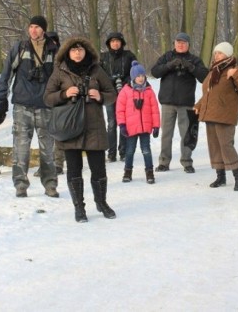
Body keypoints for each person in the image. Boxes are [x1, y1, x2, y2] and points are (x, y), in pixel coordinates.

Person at [44, 37, 118, 223]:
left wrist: (100, 96)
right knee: (74, 170)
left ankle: (102, 203)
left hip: (94, 127)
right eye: (73, 50)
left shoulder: (96, 70)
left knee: (99, 169)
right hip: (70, 128)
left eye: (80, 50)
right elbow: (47, 98)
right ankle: (79, 208)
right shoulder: (60, 72)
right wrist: (64, 94)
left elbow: (112, 94)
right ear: (67, 52)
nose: (77, 53)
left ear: (87, 52)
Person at [0, 15, 59, 198]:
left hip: (46, 106)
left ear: (44, 30)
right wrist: (2, 99)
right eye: (31, 26)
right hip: (22, 105)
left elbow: (61, 77)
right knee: (20, 148)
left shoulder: (54, 50)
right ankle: (21, 185)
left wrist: (61, 99)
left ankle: (50, 184)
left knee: (47, 148)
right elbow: (6, 74)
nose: (33, 30)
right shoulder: (19, 48)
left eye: (37, 27)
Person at [193, 42, 238, 191]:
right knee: (214, 146)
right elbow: (209, 94)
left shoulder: (234, 69)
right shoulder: (213, 71)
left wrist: (237, 73)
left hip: (226, 114)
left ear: (228, 54)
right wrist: (199, 105)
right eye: (215, 53)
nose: (216, 55)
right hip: (211, 114)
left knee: (226, 145)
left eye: (220, 53)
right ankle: (220, 177)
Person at [150, 32, 209, 173]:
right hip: (167, 102)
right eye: (178, 42)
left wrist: (192, 68)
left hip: (186, 102)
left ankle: (187, 162)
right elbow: (154, 72)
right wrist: (169, 65)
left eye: (183, 43)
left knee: (187, 134)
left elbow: (205, 77)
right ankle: (164, 162)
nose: (180, 45)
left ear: (188, 45)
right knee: (166, 134)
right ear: (174, 44)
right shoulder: (167, 57)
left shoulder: (194, 59)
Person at [116, 61, 160, 184]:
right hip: (130, 128)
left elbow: (155, 110)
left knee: (146, 150)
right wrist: (122, 125)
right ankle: (128, 171)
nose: (140, 78)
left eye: (142, 76)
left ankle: (149, 172)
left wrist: (156, 126)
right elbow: (120, 110)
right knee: (129, 150)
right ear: (133, 77)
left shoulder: (149, 91)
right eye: (138, 76)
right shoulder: (125, 91)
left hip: (145, 127)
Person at [100, 32, 137, 162]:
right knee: (111, 123)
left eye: (117, 41)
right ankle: (111, 153)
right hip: (109, 93)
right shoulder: (103, 57)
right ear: (109, 43)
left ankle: (123, 151)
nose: (115, 44)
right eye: (112, 41)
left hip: (125, 92)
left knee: (124, 122)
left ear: (121, 43)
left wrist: (125, 80)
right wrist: (109, 80)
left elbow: (135, 72)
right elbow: (98, 74)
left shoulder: (129, 56)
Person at [34, 30, 65, 177]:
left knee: (58, 132)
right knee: (45, 135)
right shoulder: (41, 56)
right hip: (44, 99)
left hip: (59, 99)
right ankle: (46, 164)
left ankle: (58, 163)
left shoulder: (61, 58)